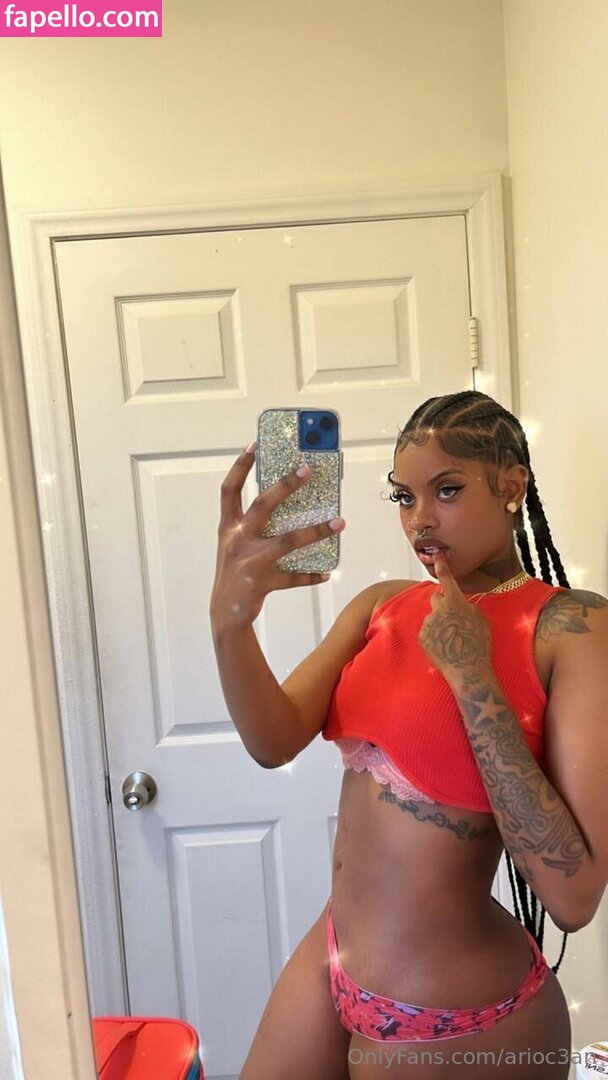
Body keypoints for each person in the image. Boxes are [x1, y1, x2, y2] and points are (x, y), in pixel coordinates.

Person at [210, 391, 608, 1078]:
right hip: (331, 957)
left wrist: (472, 676)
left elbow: (573, 898)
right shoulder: (382, 604)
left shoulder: (571, 627)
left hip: (460, 1010)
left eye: (446, 490)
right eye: (404, 496)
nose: (419, 519)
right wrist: (230, 623)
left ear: (511, 485)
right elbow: (272, 741)